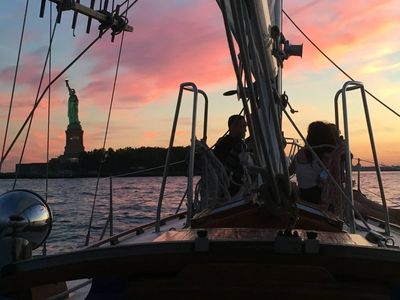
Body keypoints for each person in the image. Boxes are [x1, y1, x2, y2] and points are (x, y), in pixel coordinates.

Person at [289, 121, 337, 204]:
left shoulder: (299, 153)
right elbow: (333, 175)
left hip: (304, 194)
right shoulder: (323, 156)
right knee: (357, 199)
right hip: (318, 196)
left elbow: (289, 172)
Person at [213, 114, 248, 195]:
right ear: (233, 127)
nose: (245, 130)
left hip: (221, 187)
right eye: (242, 126)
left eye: (245, 126)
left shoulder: (221, 141)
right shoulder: (238, 145)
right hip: (232, 188)